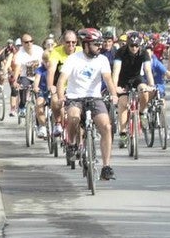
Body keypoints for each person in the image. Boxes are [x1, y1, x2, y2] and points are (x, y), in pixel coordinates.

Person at [57, 28, 120, 181]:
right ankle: (71, 144)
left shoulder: (102, 59)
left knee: (106, 126)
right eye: (96, 44)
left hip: (95, 98)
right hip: (75, 98)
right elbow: (61, 81)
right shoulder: (73, 59)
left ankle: (106, 167)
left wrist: (114, 95)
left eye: (100, 44)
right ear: (86, 44)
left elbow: (108, 79)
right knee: (73, 117)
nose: (100, 46)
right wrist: (60, 97)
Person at [111, 32, 152, 148]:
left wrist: (151, 85)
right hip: (123, 80)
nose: (134, 48)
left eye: (136, 46)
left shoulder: (144, 52)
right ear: (128, 45)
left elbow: (148, 70)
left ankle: (142, 112)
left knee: (144, 91)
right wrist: (114, 87)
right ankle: (123, 133)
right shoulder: (120, 52)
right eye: (131, 45)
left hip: (137, 78)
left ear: (140, 45)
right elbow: (116, 71)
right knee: (123, 103)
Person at [46, 32, 79, 137]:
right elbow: (51, 70)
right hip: (60, 85)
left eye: (74, 42)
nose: (71, 45)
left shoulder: (80, 51)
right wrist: (51, 86)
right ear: (63, 42)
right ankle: (58, 123)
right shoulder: (56, 52)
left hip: (76, 86)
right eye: (68, 42)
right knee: (55, 101)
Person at [11, 34, 44, 122]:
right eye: (26, 42)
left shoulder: (39, 50)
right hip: (26, 76)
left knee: (39, 95)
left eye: (31, 41)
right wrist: (14, 81)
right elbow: (18, 68)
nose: (29, 44)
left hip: (39, 76)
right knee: (23, 87)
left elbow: (45, 63)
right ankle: (22, 106)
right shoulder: (20, 54)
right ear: (22, 43)